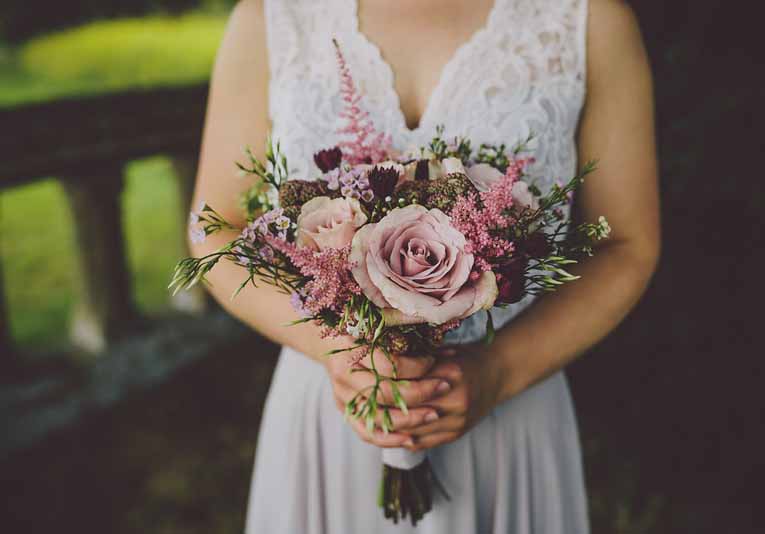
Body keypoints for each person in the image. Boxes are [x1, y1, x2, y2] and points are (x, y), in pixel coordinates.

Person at [189, 0, 660, 532]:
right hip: (334, 407)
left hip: (510, 405)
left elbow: (627, 244)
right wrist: (338, 353)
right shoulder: (273, 17)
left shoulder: (585, 18)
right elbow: (214, 228)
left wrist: (498, 372)